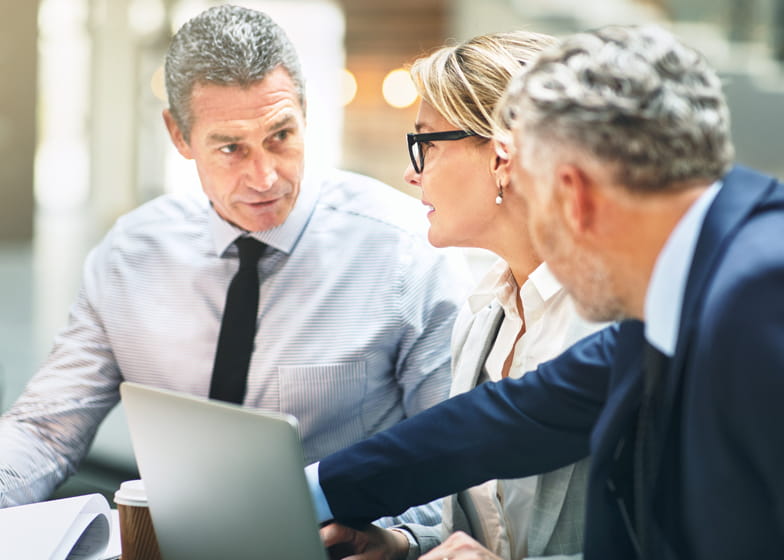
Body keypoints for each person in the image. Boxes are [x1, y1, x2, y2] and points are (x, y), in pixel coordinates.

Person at [307, 24, 784, 559]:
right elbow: (514, 418)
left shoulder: (761, 291)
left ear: (571, 192)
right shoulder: (680, 292)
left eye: (532, 192)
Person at [0, 4, 470, 524]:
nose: (265, 176)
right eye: (230, 148)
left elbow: (454, 457)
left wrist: (399, 538)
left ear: (305, 114)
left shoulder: (407, 251)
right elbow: (45, 431)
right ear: (179, 136)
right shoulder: (129, 255)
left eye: (280, 137)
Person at [319, 31, 604, 560]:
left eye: (426, 143)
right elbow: (482, 539)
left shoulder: (617, 326)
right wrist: (403, 545)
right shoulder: (482, 317)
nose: (412, 170)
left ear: (502, 157)